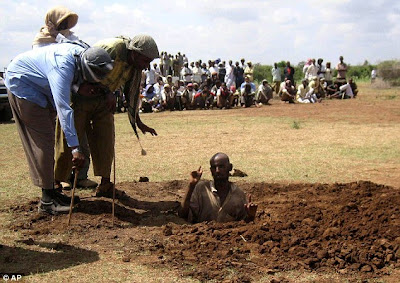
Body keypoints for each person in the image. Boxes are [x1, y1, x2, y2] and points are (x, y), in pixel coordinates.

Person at [5, 43, 113, 214]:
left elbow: (70, 86)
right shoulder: (63, 67)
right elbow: (63, 108)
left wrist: (79, 88)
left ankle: (52, 193)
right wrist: (75, 148)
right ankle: (47, 201)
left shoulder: (83, 55)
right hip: (23, 85)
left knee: (47, 140)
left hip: (40, 87)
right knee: (44, 143)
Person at [54, 35, 159, 199]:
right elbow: (86, 68)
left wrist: (138, 122)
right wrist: (107, 91)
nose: (146, 67)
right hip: (80, 98)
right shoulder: (113, 49)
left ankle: (105, 184)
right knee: (68, 141)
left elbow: (130, 94)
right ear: (135, 53)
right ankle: (56, 186)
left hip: (103, 103)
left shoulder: (135, 67)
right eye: (145, 61)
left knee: (106, 141)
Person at [179, 153, 257, 223]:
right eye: (214, 167)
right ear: (211, 170)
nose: (217, 171)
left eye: (221, 167)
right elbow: (183, 215)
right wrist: (191, 185)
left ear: (230, 167)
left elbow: (244, 225)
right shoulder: (201, 189)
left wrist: (251, 215)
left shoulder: (238, 194)